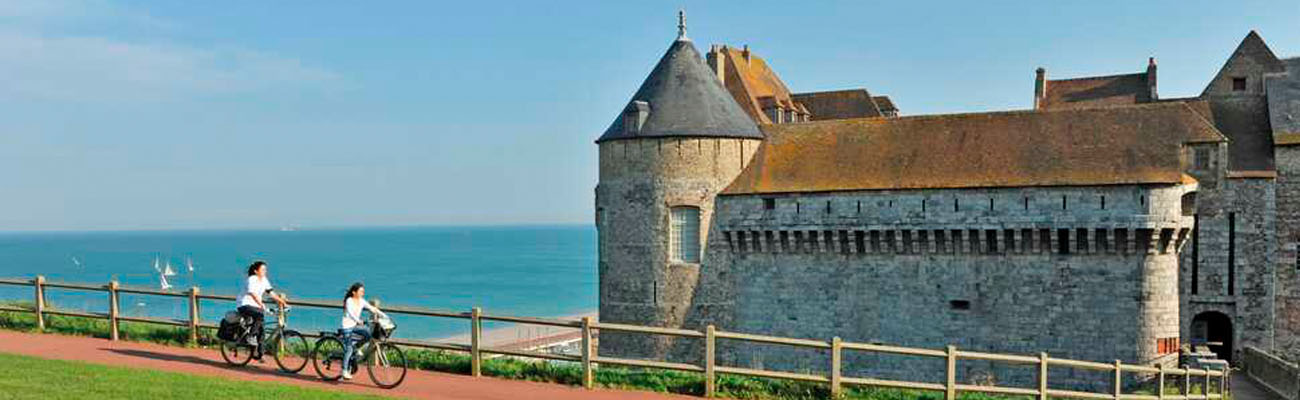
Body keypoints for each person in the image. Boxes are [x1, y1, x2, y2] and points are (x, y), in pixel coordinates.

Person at [237, 260, 286, 360]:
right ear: (256, 271)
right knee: (260, 315)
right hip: (244, 304)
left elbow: (271, 293)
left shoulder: (264, 280)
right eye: (263, 269)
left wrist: (281, 301)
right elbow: (252, 293)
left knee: (262, 329)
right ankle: (250, 336)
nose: (265, 271)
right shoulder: (252, 279)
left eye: (265, 269)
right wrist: (261, 305)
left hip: (255, 306)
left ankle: (259, 354)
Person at [340, 282, 387, 380]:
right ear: (354, 292)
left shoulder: (361, 301)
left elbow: (372, 308)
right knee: (349, 349)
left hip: (355, 326)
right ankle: (344, 371)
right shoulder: (349, 300)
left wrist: (383, 315)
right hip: (347, 327)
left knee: (368, 334)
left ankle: (356, 348)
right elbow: (350, 312)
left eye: (363, 291)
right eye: (361, 291)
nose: (363, 293)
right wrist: (358, 321)